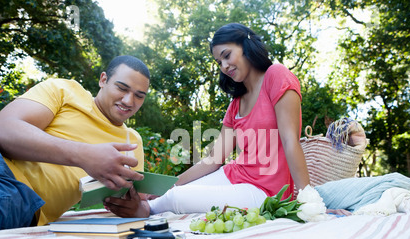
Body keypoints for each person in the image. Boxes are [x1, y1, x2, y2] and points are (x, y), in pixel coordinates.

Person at [105, 23, 310, 217]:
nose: (224, 66)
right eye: (219, 62)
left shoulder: (277, 75)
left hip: (266, 190)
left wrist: (308, 201)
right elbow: (213, 160)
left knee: (177, 199)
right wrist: (166, 186)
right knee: (171, 193)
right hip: (234, 175)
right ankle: (146, 204)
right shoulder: (236, 104)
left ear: (246, 45)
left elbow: (290, 141)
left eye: (227, 55)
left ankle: (143, 210)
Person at [0, 55, 151, 229]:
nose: (128, 101)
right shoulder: (65, 90)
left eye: (139, 96)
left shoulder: (132, 142)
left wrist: (138, 209)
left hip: (23, 203)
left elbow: (141, 203)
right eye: (122, 88)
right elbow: (3, 127)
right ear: (103, 80)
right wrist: (84, 155)